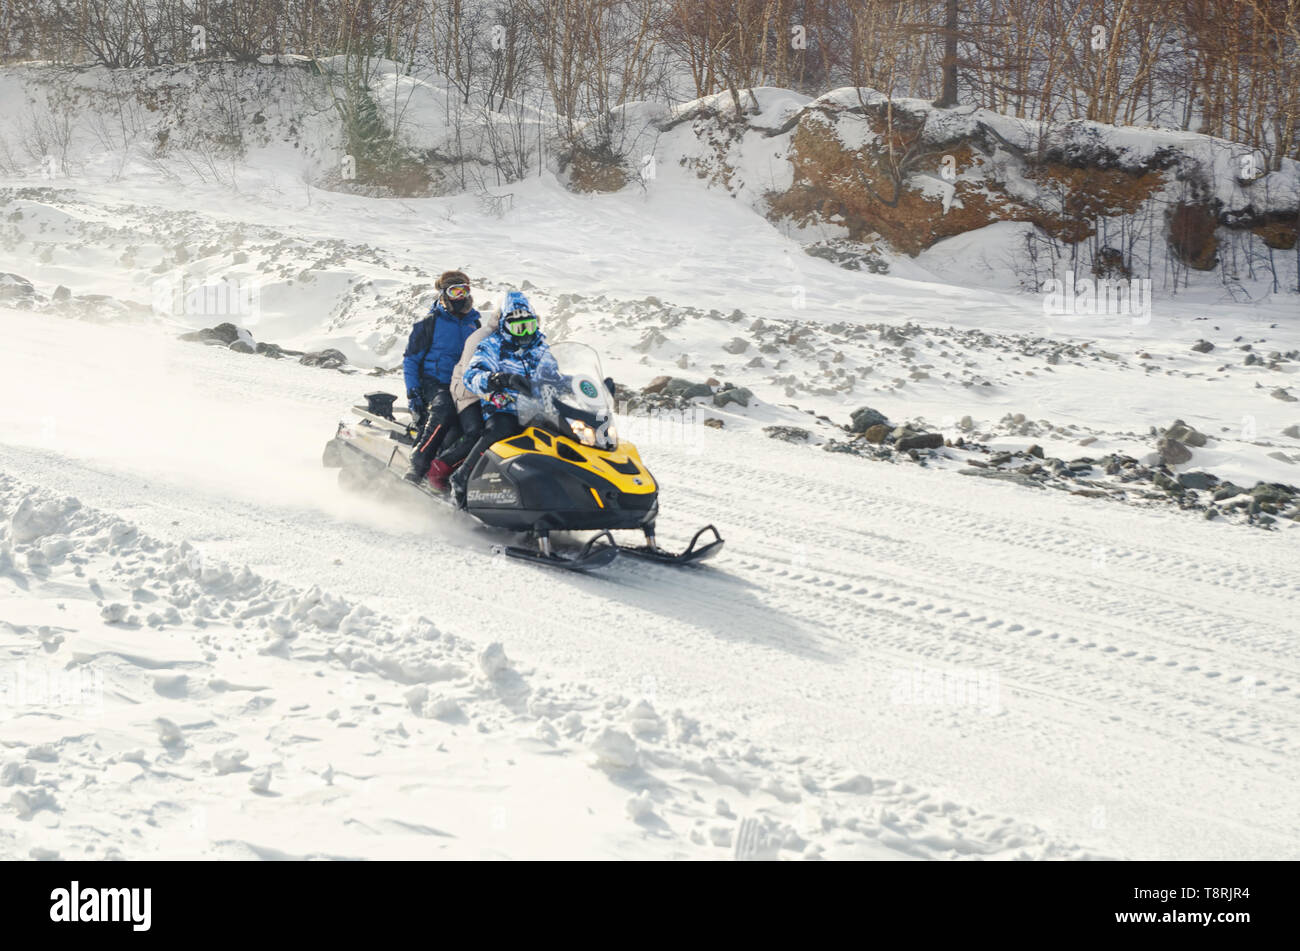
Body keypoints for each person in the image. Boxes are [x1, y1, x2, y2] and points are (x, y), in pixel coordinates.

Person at [450, 290, 556, 508]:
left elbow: (554, 376)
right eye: (518, 327)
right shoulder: (493, 346)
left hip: (538, 408)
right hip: (504, 406)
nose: (525, 332)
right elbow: (472, 375)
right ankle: (462, 478)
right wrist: (498, 379)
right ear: (506, 325)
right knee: (500, 430)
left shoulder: (541, 348)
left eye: (529, 325)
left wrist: (582, 386)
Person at [401, 270, 481, 483]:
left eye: (464, 290)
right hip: (434, 382)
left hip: (465, 385)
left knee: (479, 423)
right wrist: (413, 392)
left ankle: (461, 471)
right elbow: (410, 360)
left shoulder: (475, 323)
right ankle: (418, 464)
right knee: (444, 410)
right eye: (455, 291)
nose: (460, 296)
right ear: (444, 294)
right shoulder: (429, 323)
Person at [423, 301, 500, 490]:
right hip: (468, 393)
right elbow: (471, 374)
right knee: (479, 432)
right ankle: (441, 468)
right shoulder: (481, 338)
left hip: (495, 396)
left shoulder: (523, 342)